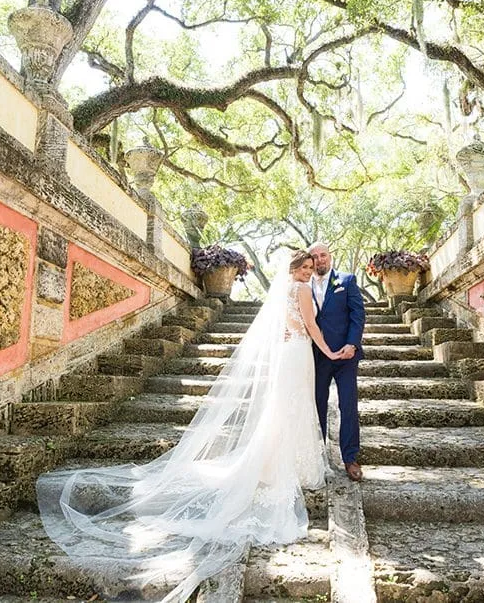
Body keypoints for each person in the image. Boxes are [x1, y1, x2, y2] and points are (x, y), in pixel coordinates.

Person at [36, 250, 342, 602]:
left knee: (286, 409)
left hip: (290, 352)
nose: (308, 272)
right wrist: (330, 352)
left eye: (310, 267)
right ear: (295, 269)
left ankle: (274, 462)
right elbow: (310, 326)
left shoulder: (285, 289)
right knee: (293, 408)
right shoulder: (300, 290)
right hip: (299, 351)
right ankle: (290, 465)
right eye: (304, 267)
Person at [307, 242, 366, 482]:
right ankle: (317, 456)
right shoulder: (303, 285)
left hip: (345, 355)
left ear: (330, 257)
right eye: (315, 256)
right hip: (317, 356)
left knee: (348, 405)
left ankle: (350, 458)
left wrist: (352, 344)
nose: (320, 259)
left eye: (323, 255)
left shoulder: (347, 280)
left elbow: (358, 314)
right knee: (316, 404)